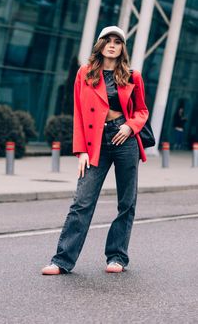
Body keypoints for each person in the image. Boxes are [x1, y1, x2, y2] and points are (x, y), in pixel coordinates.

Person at [42, 26, 149, 275]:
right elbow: (78, 113)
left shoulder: (133, 76)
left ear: (123, 48)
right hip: (95, 142)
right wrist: (81, 151)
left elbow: (142, 111)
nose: (112, 45)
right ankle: (61, 261)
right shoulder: (85, 73)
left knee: (126, 202)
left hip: (125, 140)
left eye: (118, 41)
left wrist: (130, 127)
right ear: (100, 44)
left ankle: (117, 256)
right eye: (108, 40)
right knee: (82, 202)